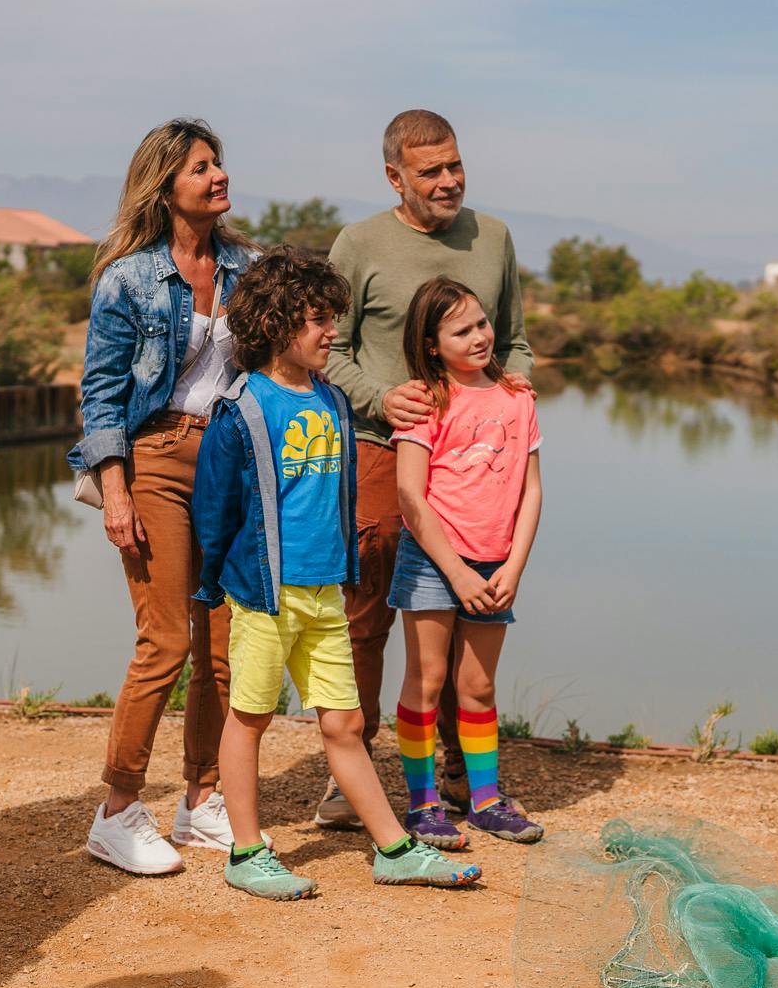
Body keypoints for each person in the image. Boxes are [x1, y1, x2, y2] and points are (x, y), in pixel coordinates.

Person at [191, 246, 482, 899]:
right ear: (274, 324)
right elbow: (213, 511)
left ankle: (394, 851)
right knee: (250, 718)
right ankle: (244, 853)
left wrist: (346, 571)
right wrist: (212, 585)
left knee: (344, 725)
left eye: (332, 318)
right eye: (318, 320)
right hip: (265, 598)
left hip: (324, 593)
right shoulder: (241, 410)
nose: (331, 333)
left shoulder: (329, 401)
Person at [322, 110, 537, 830]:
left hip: (478, 461)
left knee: (469, 603)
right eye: (429, 172)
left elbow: (515, 343)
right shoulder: (358, 244)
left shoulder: (494, 237)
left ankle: (459, 778)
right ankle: (350, 769)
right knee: (370, 613)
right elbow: (326, 347)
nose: (447, 181)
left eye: (454, 165)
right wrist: (378, 397)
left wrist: (511, 401)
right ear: (394, 177)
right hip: (384, 451)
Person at [70, 119, 252, 874]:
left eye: (218, 163)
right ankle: (116, 809)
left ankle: (201, 799)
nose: (218, 176)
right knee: (166, 641)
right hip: (154, 461)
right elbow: (101, 394)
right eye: (200, 168)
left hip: (225, 462)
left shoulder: (248, 268)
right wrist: (115, 490)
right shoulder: (129, 278)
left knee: (219, 648)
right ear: (165, 186)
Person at [388, 278, 546, 848]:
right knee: (426, 682)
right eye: (461, 330)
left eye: (481, 323)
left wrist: (514, 567)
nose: (479, 336)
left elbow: (531, 492)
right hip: (434, 563)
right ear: (432, 344)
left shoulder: (517, 396)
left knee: (477, 687)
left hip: (495, 564)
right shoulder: (425, 400)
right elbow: (410, 494)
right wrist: (455, 570)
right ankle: (423, 804)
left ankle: (483, 800)